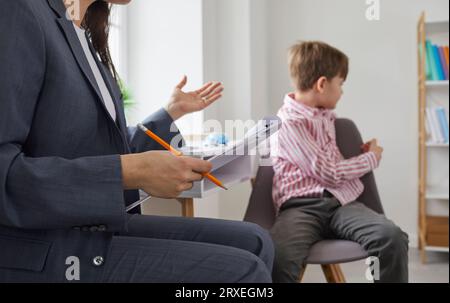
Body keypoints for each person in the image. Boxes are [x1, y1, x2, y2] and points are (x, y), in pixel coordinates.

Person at [0, 0, 274, 283]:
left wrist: (169, 113)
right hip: (41, 248)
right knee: (242, 272)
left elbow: (104, 148)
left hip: (89, 227)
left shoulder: (80, 33)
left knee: (255, 240)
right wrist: (129, 172)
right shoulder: (19, 11)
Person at [270, 41, 409, 283]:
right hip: (300, 208)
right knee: (279, 256)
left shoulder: (326, 117)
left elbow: (327, 163)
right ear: (322, 84)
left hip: (341, 203)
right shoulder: (287, 123)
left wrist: (360, 153)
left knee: (391, 237)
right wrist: (371, 157)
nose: (342, 91)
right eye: (340, 84)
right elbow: (329, 172)